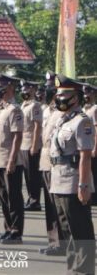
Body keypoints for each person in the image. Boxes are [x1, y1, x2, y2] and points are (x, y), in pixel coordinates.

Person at [49, 74, 95, 273]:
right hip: (58, 180)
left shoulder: (82, 122)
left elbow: (85, 156)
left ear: (75, 97)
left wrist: (83, 185)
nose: (59, 98)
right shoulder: (62, 120)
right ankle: (73, 269)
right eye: (58, 94)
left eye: (64, 94)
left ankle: (84, 270)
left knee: (80, 231)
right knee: (67, 231)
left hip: (73, 182)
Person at [0, 73, 25, 245]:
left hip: (11, 160)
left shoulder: (15, 110)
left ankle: (16, 231)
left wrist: (11, 160)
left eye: (3, 86)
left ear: (10, 87)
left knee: (14, 197)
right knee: (3, 196)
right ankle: (8, 228)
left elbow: (17, 136)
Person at [38, 71, 66, 256]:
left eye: (51, 87)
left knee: (59, 205)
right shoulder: (46, 110)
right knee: (49, 204)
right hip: (45, 160)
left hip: (57, 162)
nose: (47, 90)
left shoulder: (62, 112)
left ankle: (62, 242)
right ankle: (53, 241)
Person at [19, 80, 43, 211]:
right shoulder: (24, 105)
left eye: (28, 89)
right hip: (23, 144)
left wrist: (34, 145)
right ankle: (30, 198)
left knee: (33, 175)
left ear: (34, 90)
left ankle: (35, 201)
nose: (25, 91)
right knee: (27, 175)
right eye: (24, 89)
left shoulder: (35, 106)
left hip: (31, 144)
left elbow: (37, 126)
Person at [82, 83, 97, 205]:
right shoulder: (84, 109)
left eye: (88, 93)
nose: (86, 95)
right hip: (86, 145)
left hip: (93, 146)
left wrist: (95, 148)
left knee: (94, 172)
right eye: (84, 93)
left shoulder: (95, 109)